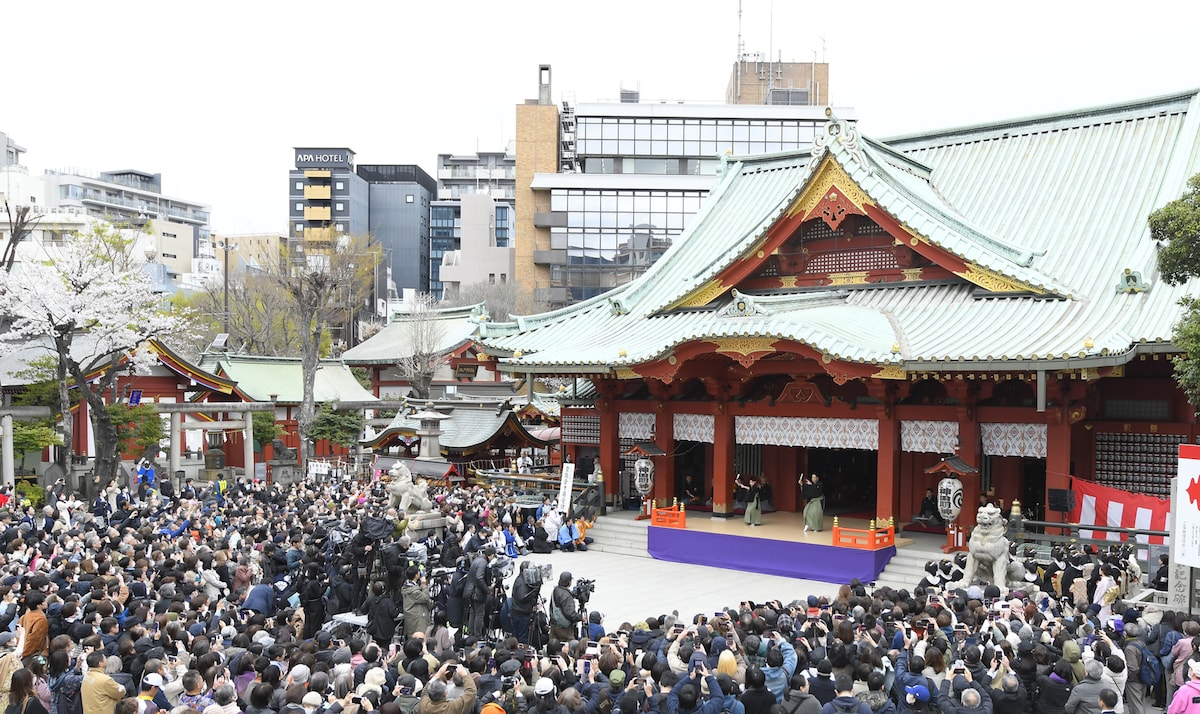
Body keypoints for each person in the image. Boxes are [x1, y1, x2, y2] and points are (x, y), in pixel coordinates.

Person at [464, 546, 495, 638]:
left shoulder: (477, 560)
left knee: (473, 612)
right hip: (478, 592)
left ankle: (471, 633)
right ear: (491, 555)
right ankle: (477, 635)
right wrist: (487, 590)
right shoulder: (483, 563)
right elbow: (479, 577)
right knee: (479, 614)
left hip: (471, 591)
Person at [401, 565, 433, 641]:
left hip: (413, 618)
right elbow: (425, 597)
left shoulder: (407, 586)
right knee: (419, 640)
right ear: (416, 575)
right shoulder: (413, 591)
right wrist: (423, 584)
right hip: (417, 620)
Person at [550, 571, 581, 642]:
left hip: (554, 624)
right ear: (569, 582)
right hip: (564, 628)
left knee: (554, 645)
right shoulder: (567, 596)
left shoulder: (555, 590)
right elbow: (570, 613)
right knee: (571, 644)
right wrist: (580, 617)